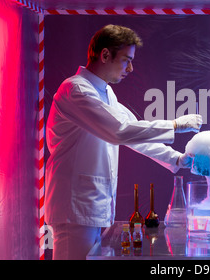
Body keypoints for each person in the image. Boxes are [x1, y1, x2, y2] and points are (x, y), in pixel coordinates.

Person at [45, 24, 202, 260]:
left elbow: (134, 136)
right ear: (105, 55)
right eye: (126, 60)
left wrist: (178, 159)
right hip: (74, 208)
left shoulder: (106, 93)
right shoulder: (75, 90)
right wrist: (175, 125)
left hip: (92, 206)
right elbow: (118, 132)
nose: (131, 68)